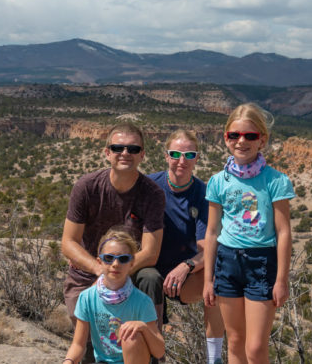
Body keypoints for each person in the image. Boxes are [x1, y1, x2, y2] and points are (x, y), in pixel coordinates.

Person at [61, 122, 166, 362]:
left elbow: (150, 252)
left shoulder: (151, 193)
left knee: (151, 278)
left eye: (132, 148)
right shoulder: (87, 187)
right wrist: (101, 269)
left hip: (130, 266)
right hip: (91, 270)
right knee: (86, 335)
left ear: (142, 154)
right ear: (107, 152)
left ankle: (153, 350)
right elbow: (68, 243)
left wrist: (119, 268)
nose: (125, 153)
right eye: (118, 147)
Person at [203, 103, 295, 364]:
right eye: (235, 135)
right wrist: (209, 279)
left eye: (250, 136)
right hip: (227, 263)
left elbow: (284, 232)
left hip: (261, 263)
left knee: (255, 348)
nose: (241, 141)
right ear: (226, 138)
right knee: (234, 342)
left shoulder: (276, 181)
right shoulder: (218, 181)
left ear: (262, 140)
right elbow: (212, 232)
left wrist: (281, 279)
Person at [148, 129, 225, 364]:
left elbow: (207, 248)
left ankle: (214, 358)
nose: (182, 161)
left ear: (197, 158)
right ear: (166, 155)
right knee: (146, 279)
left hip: (185, 277)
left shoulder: (203, 194)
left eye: (189, 155)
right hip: (149, 268)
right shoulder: (150, 185)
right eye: (176, 154)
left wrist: (187, 266)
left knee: (221, 279)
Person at [63, 227, 165, 364]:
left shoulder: (142, 301)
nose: (115, 264)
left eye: (123, 259)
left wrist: (143, 328)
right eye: (109, 258)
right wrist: (68, 361)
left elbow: (159, 351)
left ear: (132, 263)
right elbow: (78, 345)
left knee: (131, 336)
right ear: (99, 262)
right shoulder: (87, 298)